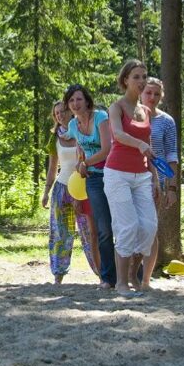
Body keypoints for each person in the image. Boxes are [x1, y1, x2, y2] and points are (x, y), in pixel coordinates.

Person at [103, 59, 159, 296]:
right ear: (125, 80)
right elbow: (117, 134)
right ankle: (122, 284)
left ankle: (132, 275)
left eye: (144, 76)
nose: (141, 81)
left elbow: (149, 145)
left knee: (148, 226)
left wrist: (155, 176)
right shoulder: (116, 107)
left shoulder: (145, 111)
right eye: (136, 76)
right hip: (117, 174)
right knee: (127, 227)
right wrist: (138, 144)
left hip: (142, 175)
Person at [41, 101, 100, 283]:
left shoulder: (81, 132)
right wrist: (46, 191)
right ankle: (58, 274)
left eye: (62, 111)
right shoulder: (54, 138)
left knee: (89, 232)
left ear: (69, 112)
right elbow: (52, 168)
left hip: (81, 188)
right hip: (61, 188)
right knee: (60, 232)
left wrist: (79, 193)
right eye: (56, 113)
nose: (59, 115)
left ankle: (101, 272)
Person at [66, 83, 116, 290]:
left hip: (114, 176)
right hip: (93, 180)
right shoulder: (72, 126)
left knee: (122, 227)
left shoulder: (101, 117)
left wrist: (85, 162)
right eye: (71, 100)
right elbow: (80, 149)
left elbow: (107, 149)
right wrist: (81, 162)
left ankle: (134, 273)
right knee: (103, 229)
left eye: (78, 99)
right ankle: (108, 278)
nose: (75, 104)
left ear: (87, 100)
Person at [142, 76, 180, 288]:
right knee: (131, 226)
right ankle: (130, 274)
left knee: (150, 227)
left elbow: (171, 154)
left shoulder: (166, 121)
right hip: (131, 176)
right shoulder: (130, 116)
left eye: (156, 94)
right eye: (148, 92)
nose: (152, 97)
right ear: (140, 92)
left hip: (158, 180)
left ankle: (145, 277)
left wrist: (171, 187)